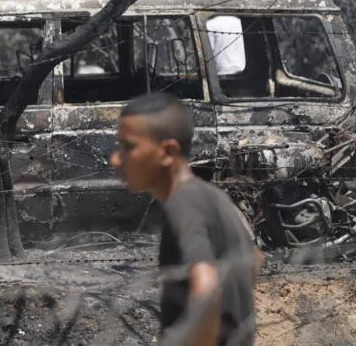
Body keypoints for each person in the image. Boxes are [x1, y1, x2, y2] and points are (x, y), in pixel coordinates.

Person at [109, 92, 262, 346]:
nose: (115, 159)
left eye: (128, 147)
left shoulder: (183, 203)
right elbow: (254, 260)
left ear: (168, 151)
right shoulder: (214, 197)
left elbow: (208, 291)